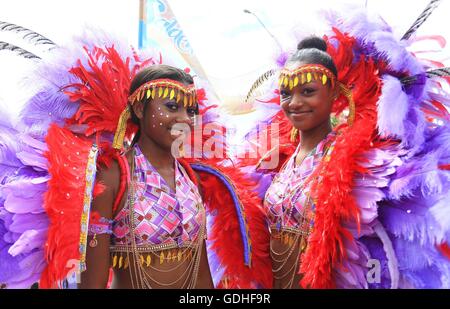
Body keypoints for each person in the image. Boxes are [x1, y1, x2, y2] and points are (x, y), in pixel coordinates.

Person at [0, 32, 272, 289]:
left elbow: (201, 271)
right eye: (171, 107)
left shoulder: (191, 177)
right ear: (140, 108)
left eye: (190, 110)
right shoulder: (113, 174)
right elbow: (93, 279)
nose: (184, 119)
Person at [244, 6, 450, 289]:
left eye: (308, 91)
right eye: (286, 93)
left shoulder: (363, 162)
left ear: (334, 93)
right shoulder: (278, 162)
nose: (294, 103)